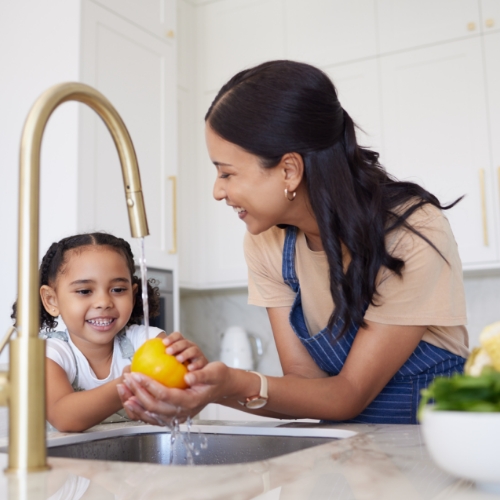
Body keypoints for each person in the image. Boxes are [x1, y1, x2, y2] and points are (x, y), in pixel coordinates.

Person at [119, 60, 469, 425]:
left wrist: (229, 384)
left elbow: (346, 395)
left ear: (289, 170)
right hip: (346, 454)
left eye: (227, 173)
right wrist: (208, 386)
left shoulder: (412, 232)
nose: (217, 191)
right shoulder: (266, 242)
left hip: (429, 454)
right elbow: (305, 386)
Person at [11, 232, 207, 432]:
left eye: (118, 290)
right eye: (84, 291)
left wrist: (192, 369)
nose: (104, 302)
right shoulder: (51, 353)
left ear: (133, 293)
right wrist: (130, 383)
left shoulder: (147, 340)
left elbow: (181, 395)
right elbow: (64, 417)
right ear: (51, 300)